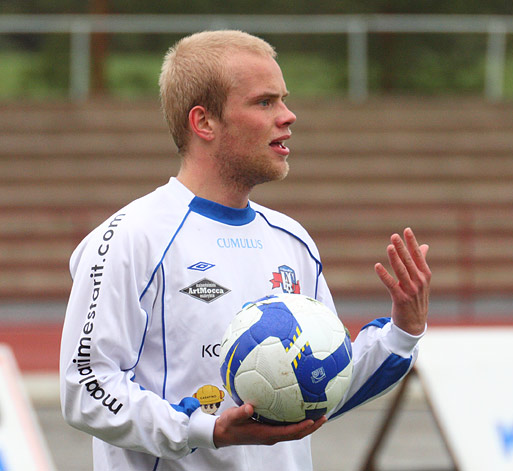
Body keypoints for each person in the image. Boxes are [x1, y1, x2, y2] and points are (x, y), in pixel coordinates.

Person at [59, 30, 431, 471]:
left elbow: (318, 389)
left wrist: (402, 332)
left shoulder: (292, 241)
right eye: (265, 102)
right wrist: (205, 429)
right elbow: (85, 387)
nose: (288, 116)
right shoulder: (130, 238)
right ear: (204, 123)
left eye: (284, 100)